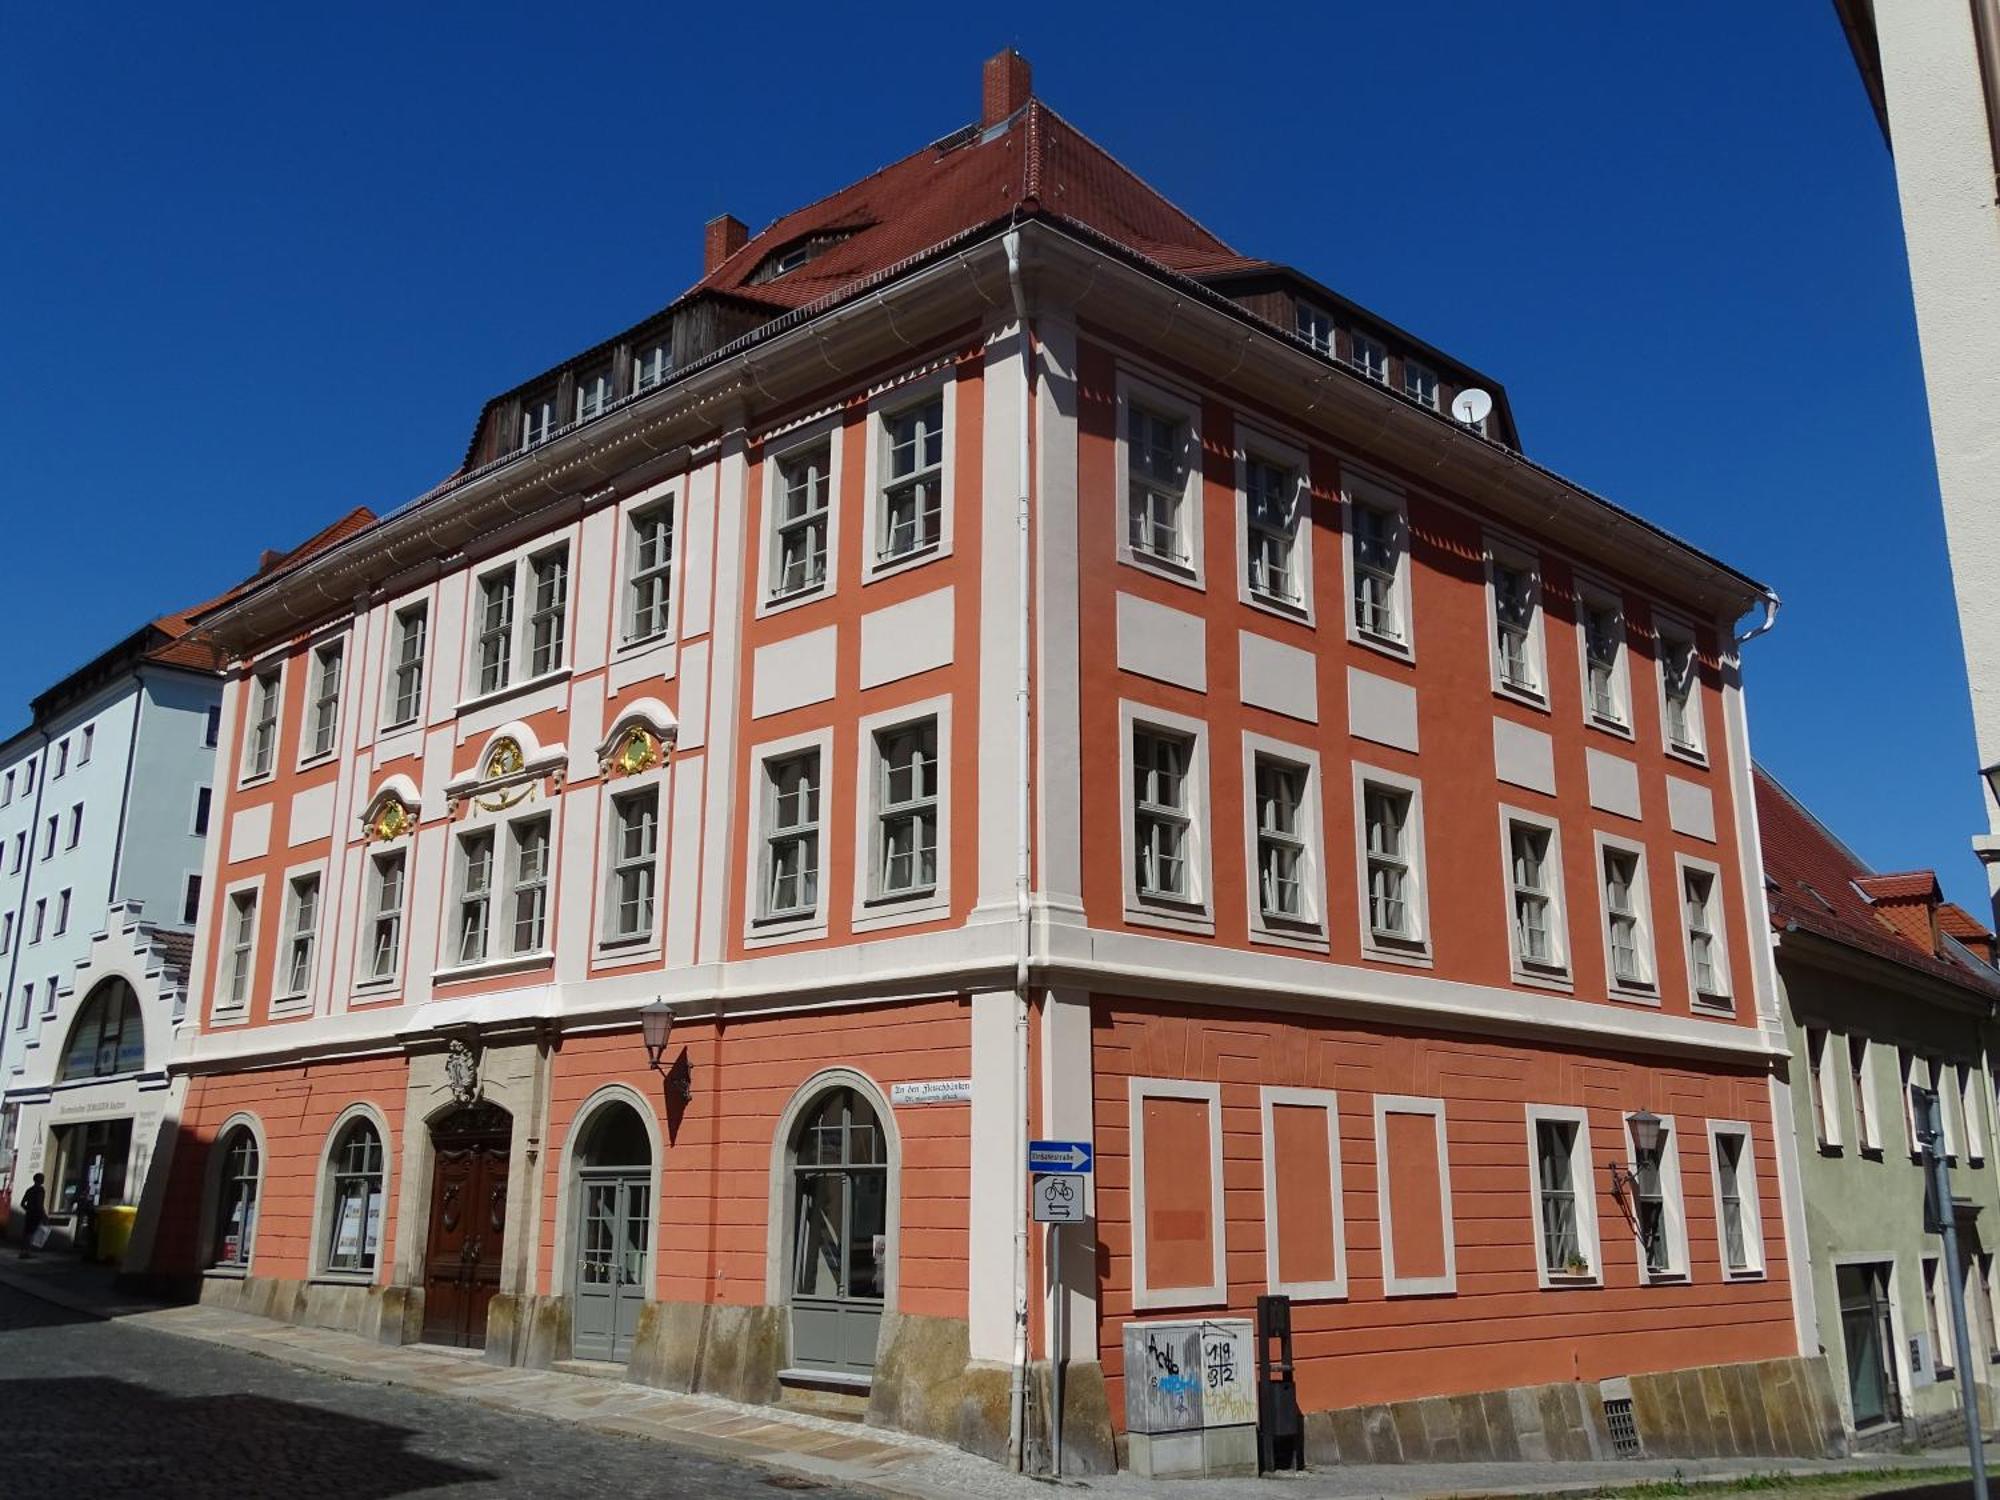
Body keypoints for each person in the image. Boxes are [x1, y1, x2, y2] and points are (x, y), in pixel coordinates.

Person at [18, 1173, 45, 1260]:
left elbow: (22, 1203)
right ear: (39, 1180)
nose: (43, 1180)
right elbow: (39, 1203)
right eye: (42, 1178)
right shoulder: (40, 1190)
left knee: (26, 1233)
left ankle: (23, 1252)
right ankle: (27, 1252)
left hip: (29, 1214)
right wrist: (43, 1214)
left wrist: (28, 1209)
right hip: (36, 1214)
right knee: (32, 1233)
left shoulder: (29, 1190)